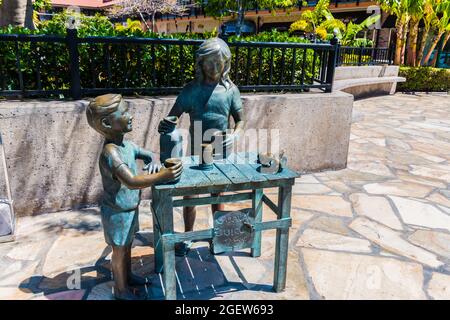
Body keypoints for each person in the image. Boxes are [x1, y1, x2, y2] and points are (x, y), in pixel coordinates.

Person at [86, 94, 182, 300]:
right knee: (119, 252)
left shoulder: (127, 146)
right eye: (125, 112)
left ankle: (127, 276)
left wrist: (155, 161)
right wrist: (163, 175)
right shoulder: (111, 153)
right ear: (107, 123)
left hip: (129, 208)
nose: (130, 116)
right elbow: (131, 181)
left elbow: (148, 155)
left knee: (127, 245)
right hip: (117, 212)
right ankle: (121, 290)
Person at [158, 38, 246, 256]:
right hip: (197, 153)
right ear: (200, 63)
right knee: (191, 197)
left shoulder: (230, 90)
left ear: (226, 63)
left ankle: (219, 236)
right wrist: (167, 124)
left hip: (223, 152)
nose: (214, 68)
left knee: (219, 196)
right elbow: (173, 116)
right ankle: (188, 236)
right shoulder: (191, 90)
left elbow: (241, 120)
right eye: (209, 63)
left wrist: (234, 135)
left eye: (219, 63)